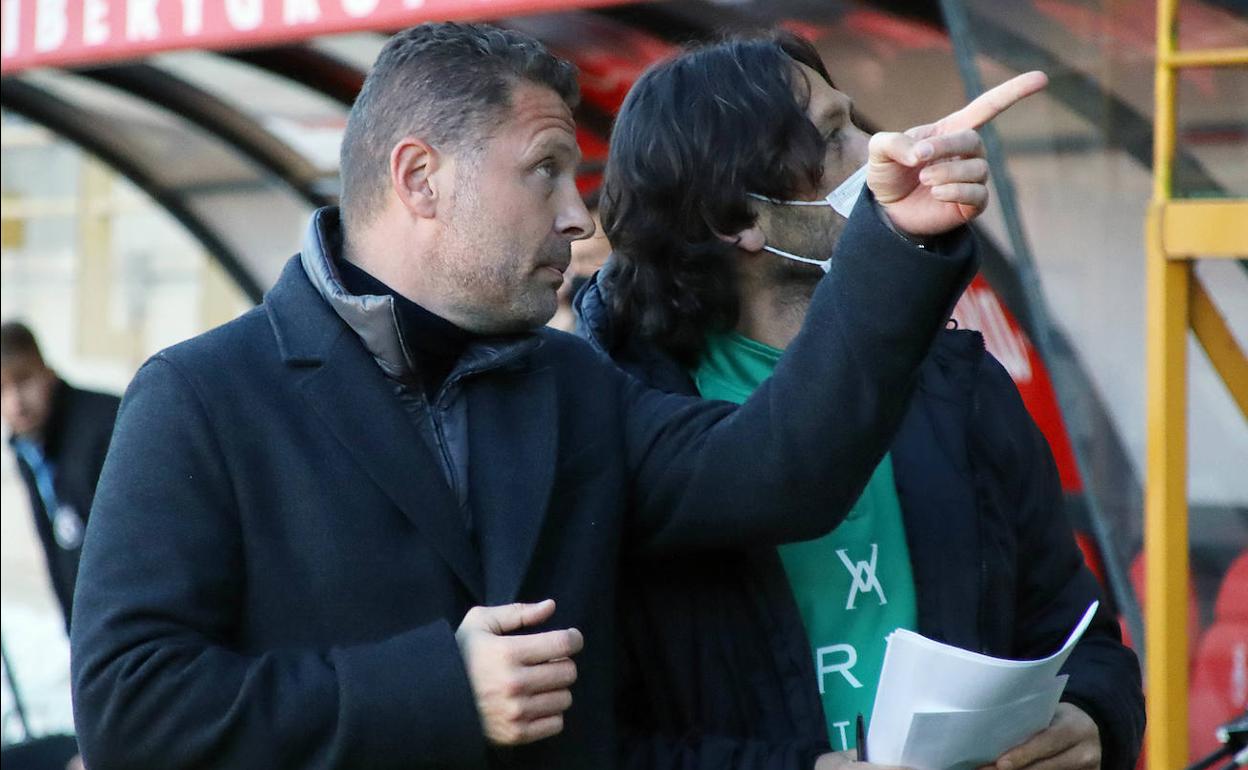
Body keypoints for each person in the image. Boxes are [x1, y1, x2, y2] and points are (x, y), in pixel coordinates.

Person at [70, 21, 1002, 769]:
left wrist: (898, 240)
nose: (579, 215)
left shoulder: (568, 383)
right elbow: (129, 710)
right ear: (420, 179)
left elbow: (780, 475)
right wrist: (441, 689)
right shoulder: (201, 396)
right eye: (545, 170)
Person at [573, 32, 1144, 770]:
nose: (877, 149)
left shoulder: (956, 387)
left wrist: (1094, 717)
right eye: (834, 135)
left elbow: (1079, 633)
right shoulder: (623, 418)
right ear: (734, 220)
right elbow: (597, 743)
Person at [1, 321, 119, 630]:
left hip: (123, 622)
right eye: (1, 389)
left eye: (24, 380)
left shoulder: (103, 427)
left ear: (47, 373)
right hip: (89, 630)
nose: (16, 401)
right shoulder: (27, 446)